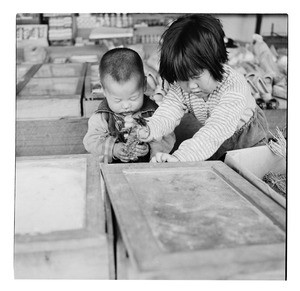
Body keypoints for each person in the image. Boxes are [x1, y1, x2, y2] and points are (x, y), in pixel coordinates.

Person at [126, 14, 269, 163]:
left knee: (246, 178)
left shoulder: (234, 88)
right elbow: (166, 113)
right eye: (182, 78)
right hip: (215, 142)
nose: (191, 86)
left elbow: (215, 132)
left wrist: (180, 158)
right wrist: (148, 129)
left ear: (217, 60)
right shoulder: (181, 88)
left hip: (248, 139)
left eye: (196, 76)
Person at [83, 47, 175, 163]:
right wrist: (113, 148)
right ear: (104, 90)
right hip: (113, 173)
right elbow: (91, 142)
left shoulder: (154, 112)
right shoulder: (103, 117)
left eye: (133, 98)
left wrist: (151, 148)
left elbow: (168, 137)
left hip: (147, 171)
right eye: (117, 100)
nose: (126, 105)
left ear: (144, 85)